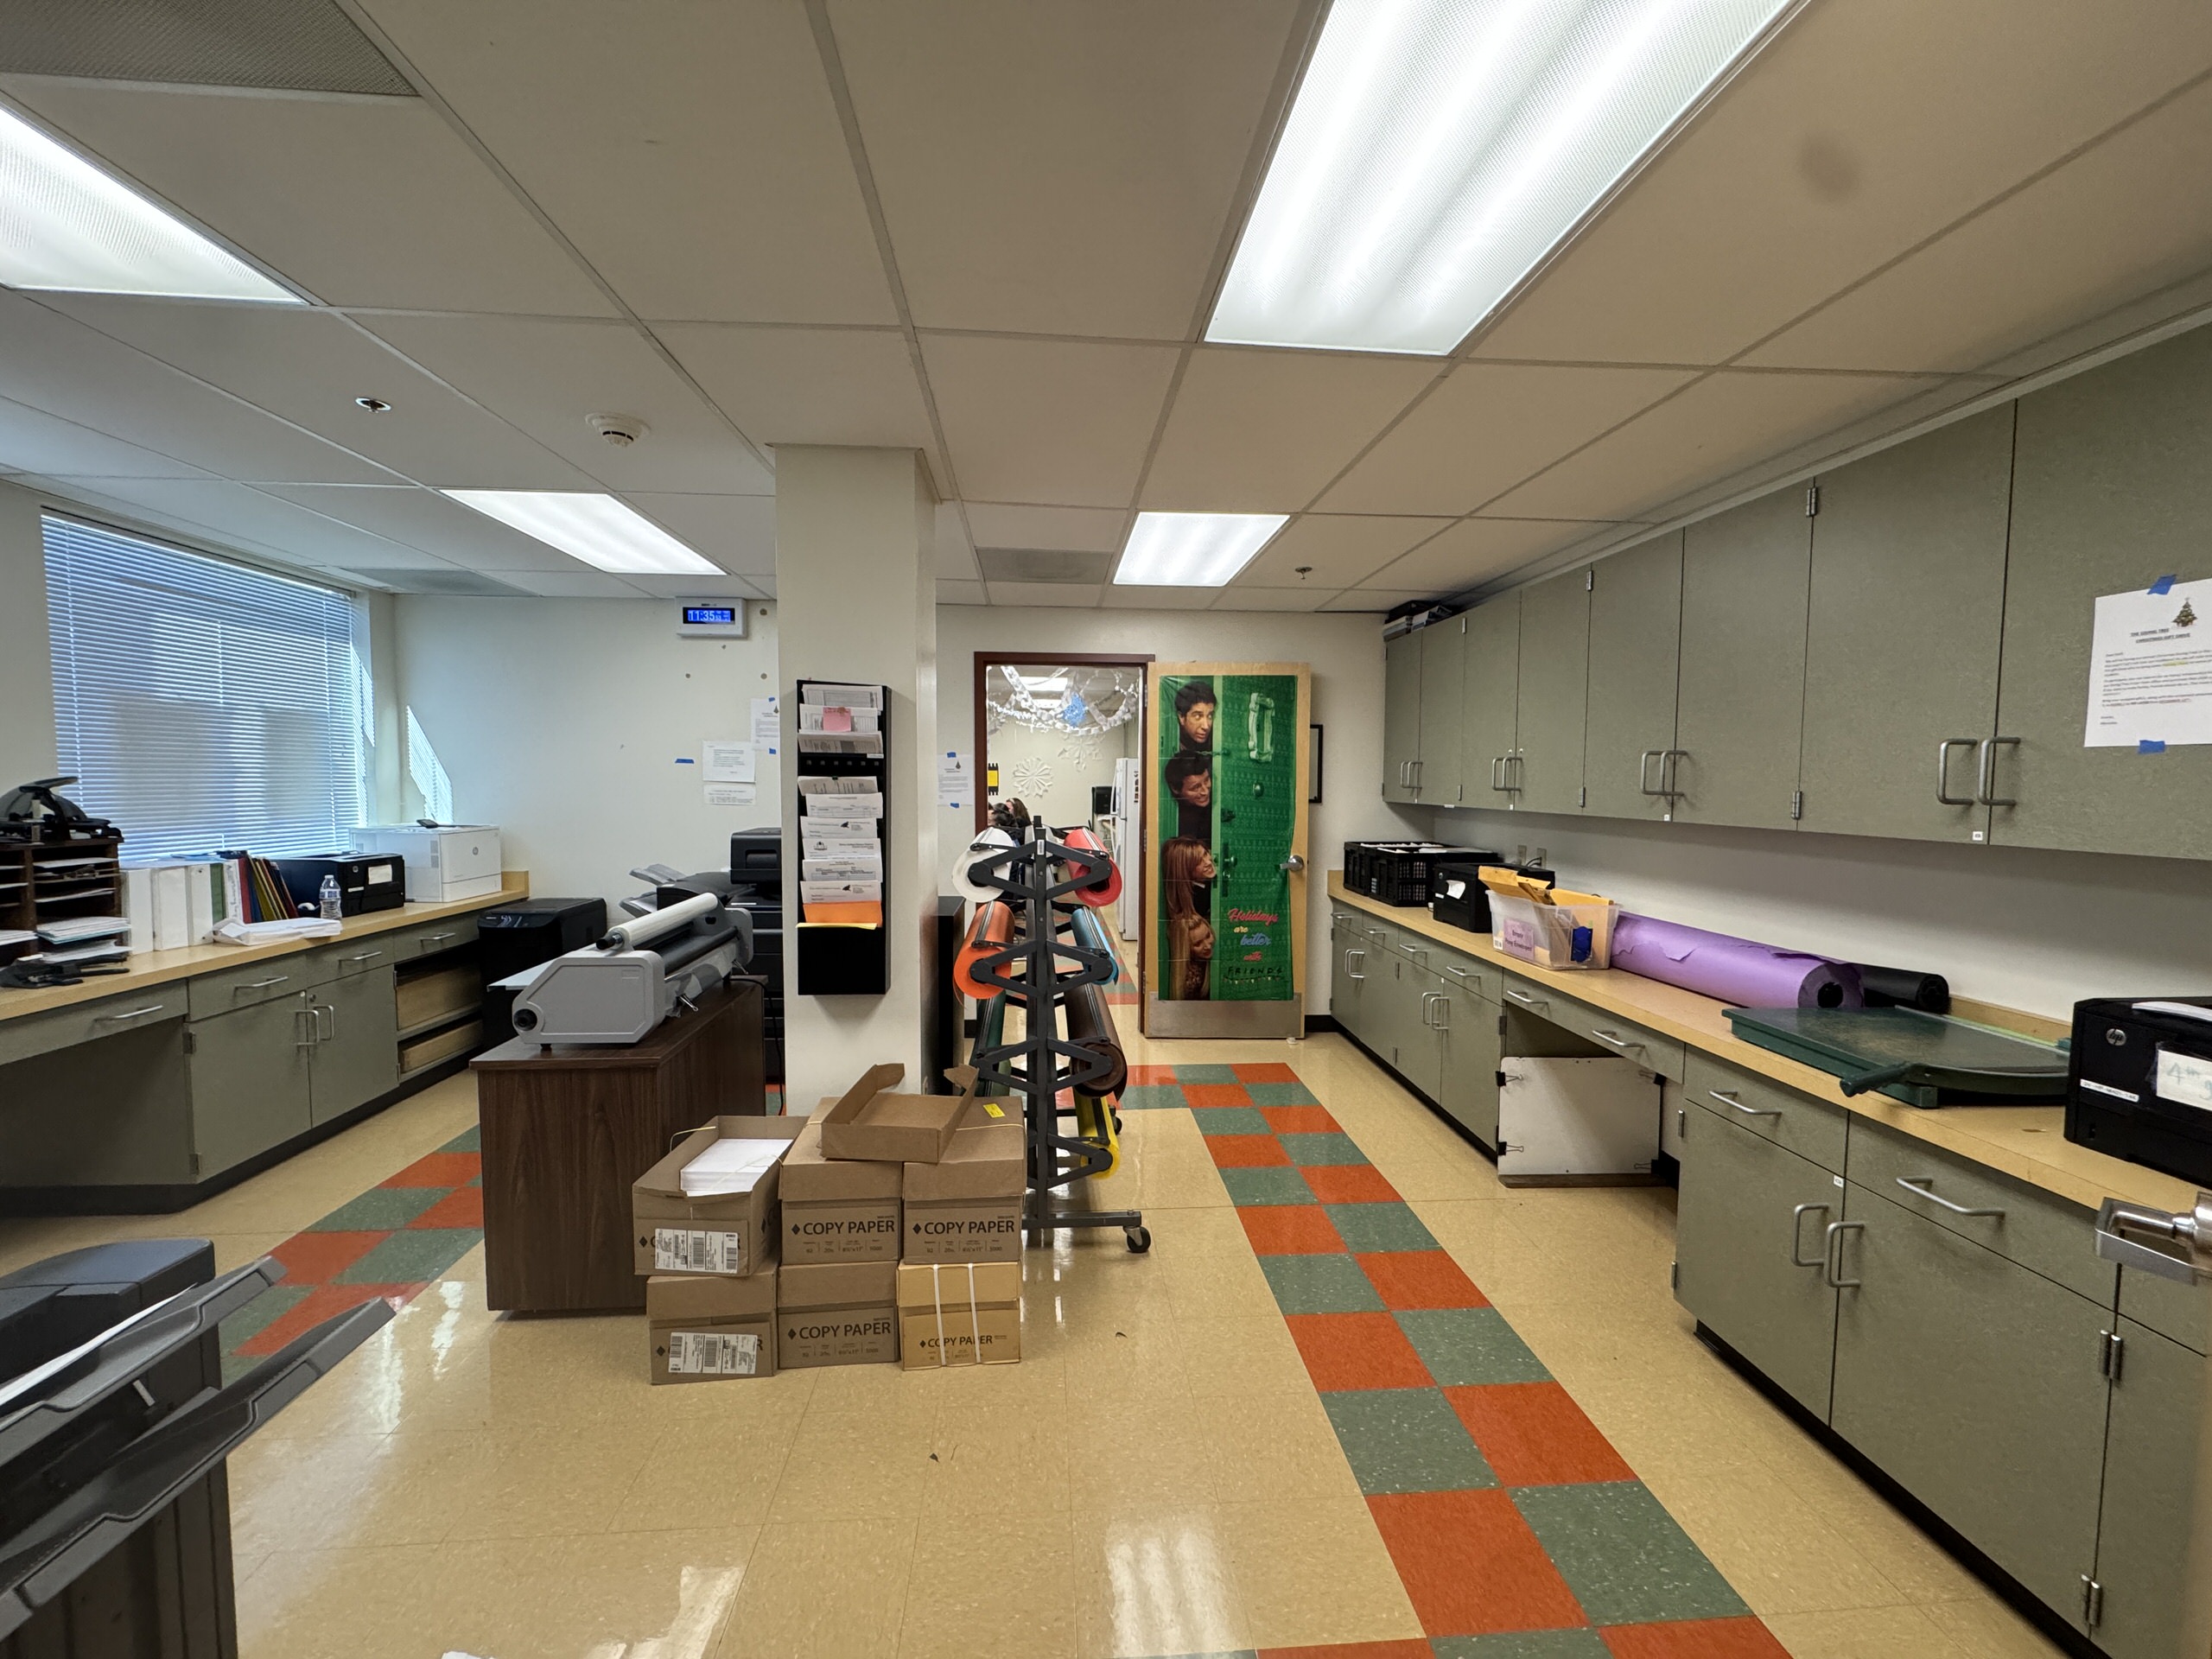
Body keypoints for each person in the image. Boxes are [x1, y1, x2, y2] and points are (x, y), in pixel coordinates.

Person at [1160, 836, 1215, 1000]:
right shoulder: (1191, 901)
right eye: (1198, 861)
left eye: (1206, 854)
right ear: (1186, 870)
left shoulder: (1207, 886)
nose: (1208, 861)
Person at [1164, 753, 1211, 847]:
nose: (1205, 791)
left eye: (1206, 781)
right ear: (1176, 789)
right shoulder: (1177, 822)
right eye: (1196, 787)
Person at [1173, 680, 1216, 753]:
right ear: (1181, 717)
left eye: (1209, 716)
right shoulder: (1172, 745)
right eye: (1198, 716)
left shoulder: (1215, 747)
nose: (1206, 726)